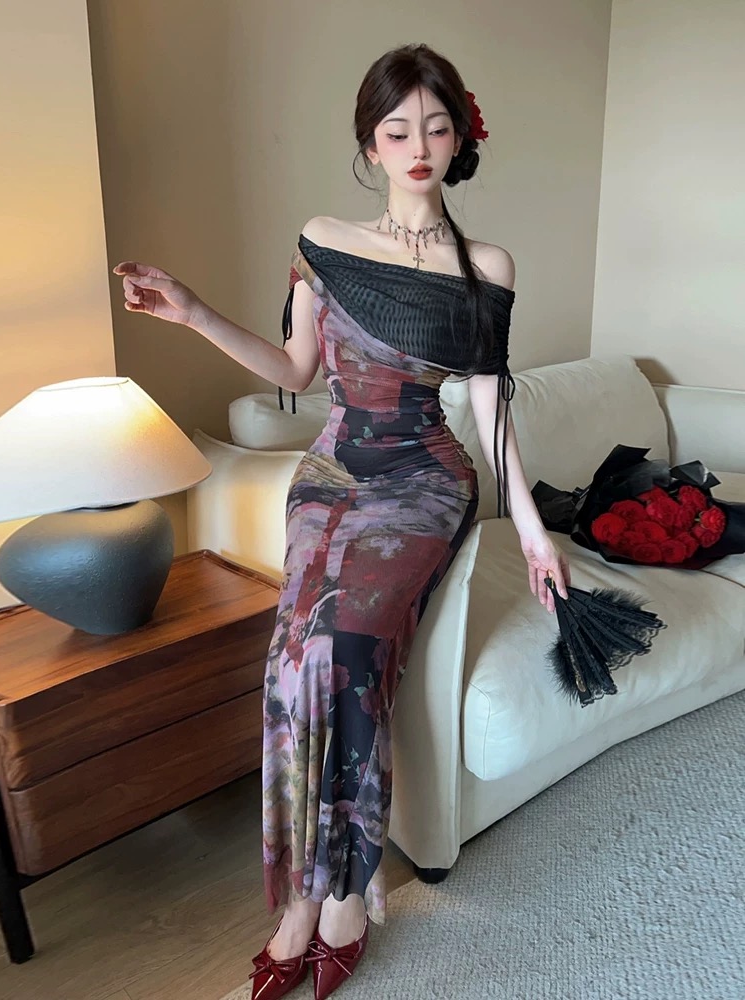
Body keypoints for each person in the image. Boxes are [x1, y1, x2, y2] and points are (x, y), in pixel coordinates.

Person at [114, 41, 571, 1000]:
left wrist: (532, 530)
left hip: (424, 478)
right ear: (370, 142)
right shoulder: (323, 240)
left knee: (349, 648)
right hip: (331, 474)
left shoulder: (486, 267)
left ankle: (348, 896)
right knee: (293, 664)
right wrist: (193, 312)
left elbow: (489, 409)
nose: (419, 147)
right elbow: (296, 370)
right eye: (398, 130)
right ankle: (297, 903)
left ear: (462, 138)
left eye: (437, 128)